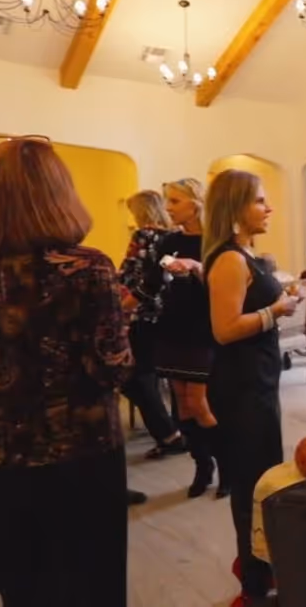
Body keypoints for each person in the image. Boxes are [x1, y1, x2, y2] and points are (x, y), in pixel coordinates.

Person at [0, 137, 132, 606]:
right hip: (78, 453)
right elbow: (111, 370)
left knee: (25, 591)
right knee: (93, 587)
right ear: (59, 191)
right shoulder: (87, 269)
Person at [204, 169, 298, 606]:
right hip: (241, 388)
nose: (269, 208)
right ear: (237, 207)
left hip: (257, 382)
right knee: (250, 485)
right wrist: (276, 309)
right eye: (260, 200)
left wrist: (278, 301)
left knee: (264, 480)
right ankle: (255, 586)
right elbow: (224, 329)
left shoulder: (246, 255)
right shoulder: (229, 260)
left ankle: (260, 565)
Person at [157, 178, 226, 498]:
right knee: (182, 406)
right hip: (173, 327)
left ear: (196, 203)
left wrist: (197, 268)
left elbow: (226, 289)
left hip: (203, 329)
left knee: (199, 402)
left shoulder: (217, 242)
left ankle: (227, 465)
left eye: (174, 201)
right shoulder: (166, 242)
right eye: (166, 201)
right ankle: (202, 466)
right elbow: (153, 282)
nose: (168, 208)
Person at [118, 190, 185, 462]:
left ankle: (169, 435)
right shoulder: (173, 238)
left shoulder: (143, 236)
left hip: (144, 314)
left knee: (134, 376)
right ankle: (177, 428)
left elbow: (129, 274)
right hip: (169, 314)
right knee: (169, 374)